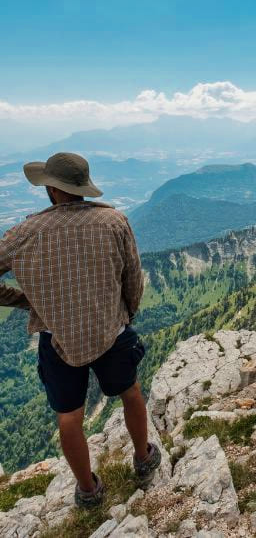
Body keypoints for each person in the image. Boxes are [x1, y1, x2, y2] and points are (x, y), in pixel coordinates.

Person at [0, 152, 160, 508]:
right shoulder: (113, 221)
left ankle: (88, 491)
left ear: (52, 190)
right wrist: (126, 315)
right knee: (130, 392)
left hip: (57, 338)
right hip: (110, 329)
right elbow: (133, 277)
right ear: (82, 188)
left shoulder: (26, 231)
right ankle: (143, 457)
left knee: (69, 415)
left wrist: (25, 300)